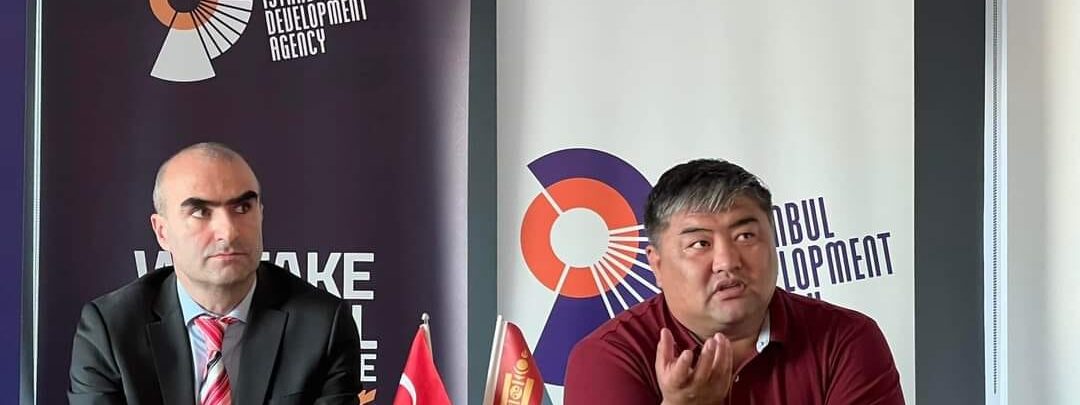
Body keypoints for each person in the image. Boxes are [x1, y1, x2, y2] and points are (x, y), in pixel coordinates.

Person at [563, 159, 904, 404]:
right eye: (700, 244)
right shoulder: (607, 358)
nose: (727, 261)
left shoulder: (844, 339)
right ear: (657, 263)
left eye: (745, 236)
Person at [69, 142, 363, 404]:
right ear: (162, 232)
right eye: (200, 212)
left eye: (243, 208)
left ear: (261, 214)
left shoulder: (322, 325)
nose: (228, 232)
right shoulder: (111, 329)